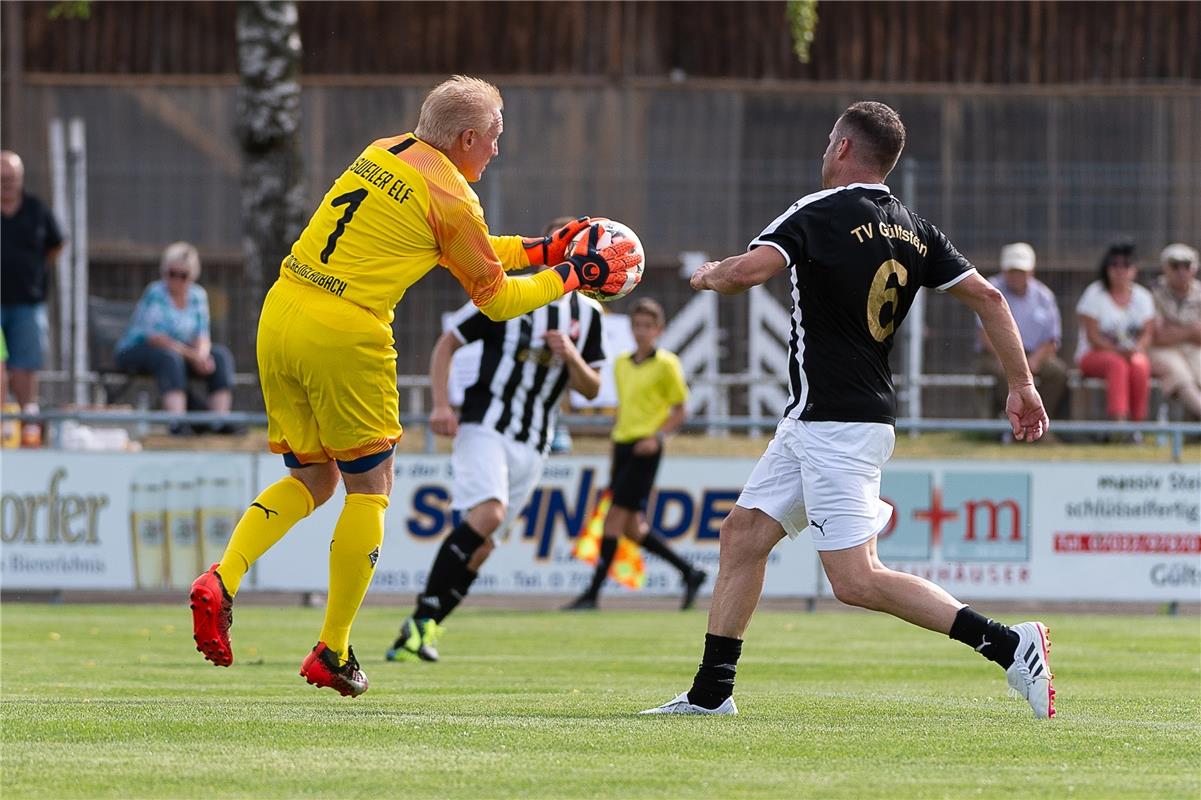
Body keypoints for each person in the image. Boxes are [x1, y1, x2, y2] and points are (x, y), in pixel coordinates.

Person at [188, 75, 639, 697]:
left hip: (282, 311)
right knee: (370, 489)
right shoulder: (453, 198)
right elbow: (499, 299)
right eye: (495, 139)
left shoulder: (385, 151)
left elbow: (472, 249)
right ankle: (333, 648)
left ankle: (223, 576)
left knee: (312, 479)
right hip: (345, 329)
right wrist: (570, 274)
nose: (497, 152)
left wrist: (545, 248)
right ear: (467, 137)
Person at [640, 101, 1054, 719]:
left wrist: (709, 274)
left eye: (828, 140)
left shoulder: (818, 210)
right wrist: (1022, 383)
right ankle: (710, 695)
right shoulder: (914, 227)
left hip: (836, 426)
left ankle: (1008, 644)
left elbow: (748, 273)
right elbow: (990, 297)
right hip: (824, 420)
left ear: (841, 148)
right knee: (743, 537)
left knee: (856, 580)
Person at [386, 217, 609, 663]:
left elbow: (592, 389)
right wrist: (441, 405)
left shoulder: (590, 314)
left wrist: (571, 356)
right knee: (489, 515)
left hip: (535, 441)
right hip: (484, 424)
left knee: (483, 547)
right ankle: (422, 616)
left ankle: (420, 630)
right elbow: (447, 343)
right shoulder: (510, 293)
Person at [564, 297, 707, 611]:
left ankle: (592, 594)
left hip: (646, 449)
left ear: (659, 329)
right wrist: (616, 450)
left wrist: (657, 436)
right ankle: (690, 572)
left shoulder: (667, 363)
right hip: (623, 446)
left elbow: (681, 409)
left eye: (648, 326)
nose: (641, 331)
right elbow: (625, 411)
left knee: (613, 520)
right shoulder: (621, 364)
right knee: (633, 528)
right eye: (637, 325)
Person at [114, 242, 238, 435]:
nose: (176, 280)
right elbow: (157, 339)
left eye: (183, 275)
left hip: (181, 354)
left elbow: (202, 334)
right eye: (172, 273)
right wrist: (194, 357)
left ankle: (219, 421)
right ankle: (177, 424)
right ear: (164, 272)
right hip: (139, 350)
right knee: (168, 358)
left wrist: (203, 356)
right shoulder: (155, 293)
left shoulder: (198, 295)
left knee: (220, 356)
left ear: (192, 275)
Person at [0, 150, 64, 418]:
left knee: (25, 365)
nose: (7, 184)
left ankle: (28, 422)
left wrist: (34, 271)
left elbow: (57, 244)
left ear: (21, 178)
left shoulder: (37, 209)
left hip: (28, 301)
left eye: (11, 178)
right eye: (2, 178)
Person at [974, 242, 1067, 424]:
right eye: (1012, 270)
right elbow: (984, 333)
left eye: (1021, 271)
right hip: (997, 353)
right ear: (1004, 270)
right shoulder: (989, 289)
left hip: (1034, 354)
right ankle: (1011, 426)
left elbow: (1052, 339)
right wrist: (1009, 359)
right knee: (1002, 372)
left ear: (1031, 271)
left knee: (1058, 372)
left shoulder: (1044, 296)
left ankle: (1038, 422)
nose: (1016, 276)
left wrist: (1034, 360)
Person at [1075, 241, 1155, 423]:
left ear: (1134, 270)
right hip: (1093, 355)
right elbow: (1092, 337)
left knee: (1140, 364)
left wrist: (1136, 349)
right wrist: (1119, 351)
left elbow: (1147, 334)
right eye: (1115, 264)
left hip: (1130, 355)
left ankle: (1137, 425)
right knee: (1116, 363)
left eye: (1126, 265)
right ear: (1107, 268)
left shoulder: (1143, 297)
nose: (1120, 270)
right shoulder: (1094, 294)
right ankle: (1119, 423)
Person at [1148, 243, 1201, 420]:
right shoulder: (1153, 292)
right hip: (1161, 350)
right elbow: (1158, 336)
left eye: (1186, 265)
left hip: (1194, 348)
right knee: (1180, 375)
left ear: (1194, 268)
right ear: (1165, 268)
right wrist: (1191, 329)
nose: (1181, 271)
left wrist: (1175, 330)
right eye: (1175, 265)